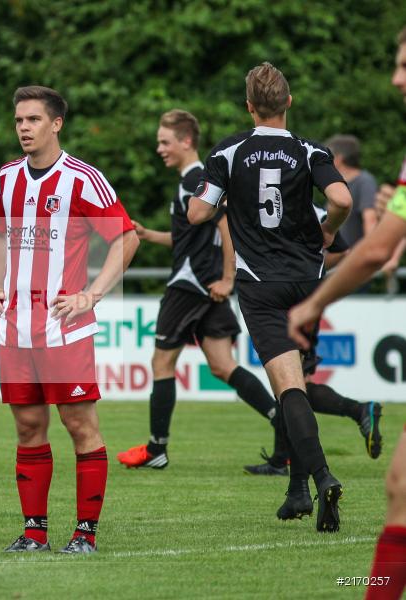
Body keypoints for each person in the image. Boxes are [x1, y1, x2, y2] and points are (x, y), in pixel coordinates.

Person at [187, 62, 352, 533]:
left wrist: (224, 202)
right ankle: (297, 490)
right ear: (289, 102)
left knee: (288, 388)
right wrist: (327, 232)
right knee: (296, 380)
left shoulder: (231, 150)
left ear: (249, 107)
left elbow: (199, 212)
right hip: (309, 282)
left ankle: (321, 478)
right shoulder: (308, 150)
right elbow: (341, 200)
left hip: (262, 284)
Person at [0, 86, 138, 554]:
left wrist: (91, 294)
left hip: (63, 329)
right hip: (16, 328)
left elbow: (126, 239)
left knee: (78, 424)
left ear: (56, 124)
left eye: (33, 120)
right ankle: (34, 534)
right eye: (18, 121)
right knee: (28, 426)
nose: (24, 128)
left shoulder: (83, 179)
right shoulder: (7, 177)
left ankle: (85, 534)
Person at [288, 26, 406, 595]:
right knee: (399, 486)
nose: (396, 78)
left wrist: (311, 300)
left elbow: (375, 250)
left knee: (293, 388)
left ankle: (306, 473)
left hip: (296, 289)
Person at [116, 109, 285, 474]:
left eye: (165, 141)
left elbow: (225, 226)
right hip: (204, 284)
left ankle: (157, 448)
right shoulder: (192, 179)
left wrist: (229, 278)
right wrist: (149, 236)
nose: (159, 148)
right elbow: (189, 236)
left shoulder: (195, 178)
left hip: (191, 284)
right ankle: (281, 422)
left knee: (161, 363)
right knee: (224, 367)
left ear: (186, 141)